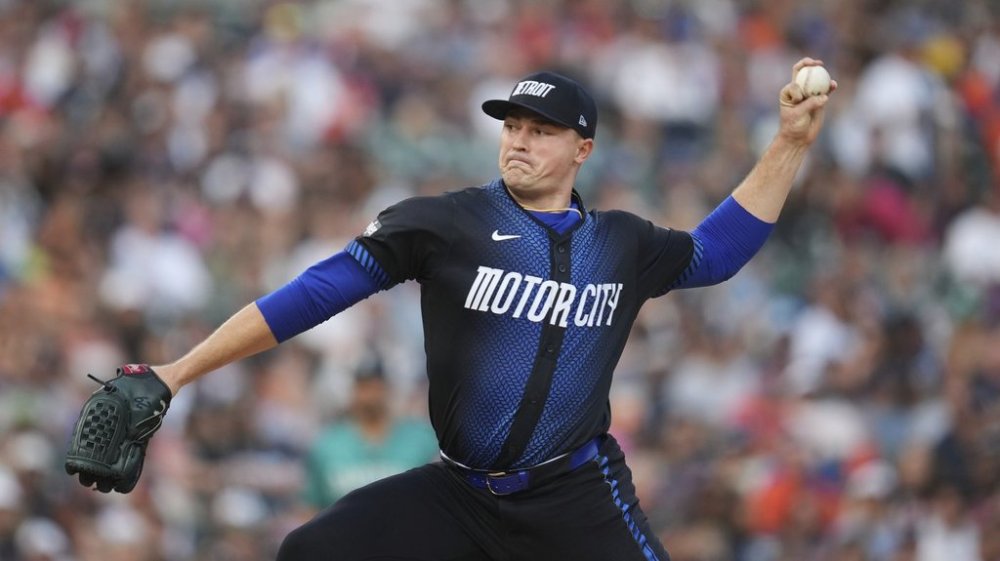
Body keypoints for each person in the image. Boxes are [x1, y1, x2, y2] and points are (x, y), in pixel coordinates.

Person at [68, 59, 835, 560]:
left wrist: (789, 143)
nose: (521, 142)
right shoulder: (446, 224)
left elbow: (716, 253)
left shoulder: (622, 244)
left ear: (583, 149)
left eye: (542, 131)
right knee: (311, 553)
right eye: (513, 126)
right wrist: (177, 370)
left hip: (575, 497)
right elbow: (312, 294)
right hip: (462, 493)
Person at [302, 363, 439, 509]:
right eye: (364, 388)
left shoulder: (421, 439)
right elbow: (310, 506)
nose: (370, 396)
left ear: (388, 390)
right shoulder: (328, 443)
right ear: (353, 391)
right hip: (345, 529)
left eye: (376, 387)